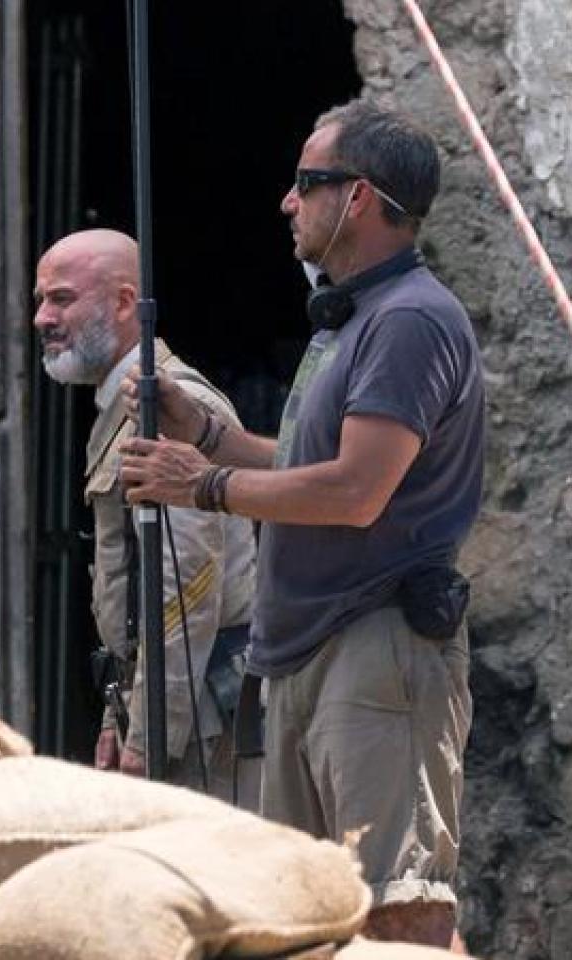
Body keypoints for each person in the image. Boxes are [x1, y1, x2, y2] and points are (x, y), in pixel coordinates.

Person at [120, 100, 482, 949]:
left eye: (305, 183)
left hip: (375, 647)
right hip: (314, 651)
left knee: (394, 909)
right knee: (309, 914)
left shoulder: (408, 319)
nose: (287, 202)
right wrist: (207, 434)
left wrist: (205, 485)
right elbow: (303, 464)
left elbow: (356, 492)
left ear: (358, 198)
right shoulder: (353, 320)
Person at [32, 229, 258, 806]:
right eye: (41, 300)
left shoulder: (171, 406)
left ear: (125, 303)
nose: (42, 318)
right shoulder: (124, 403)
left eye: (61, 299)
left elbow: (186, 591)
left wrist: (151, 738)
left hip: (202, 721)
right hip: (170, 705)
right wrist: (121, 714)